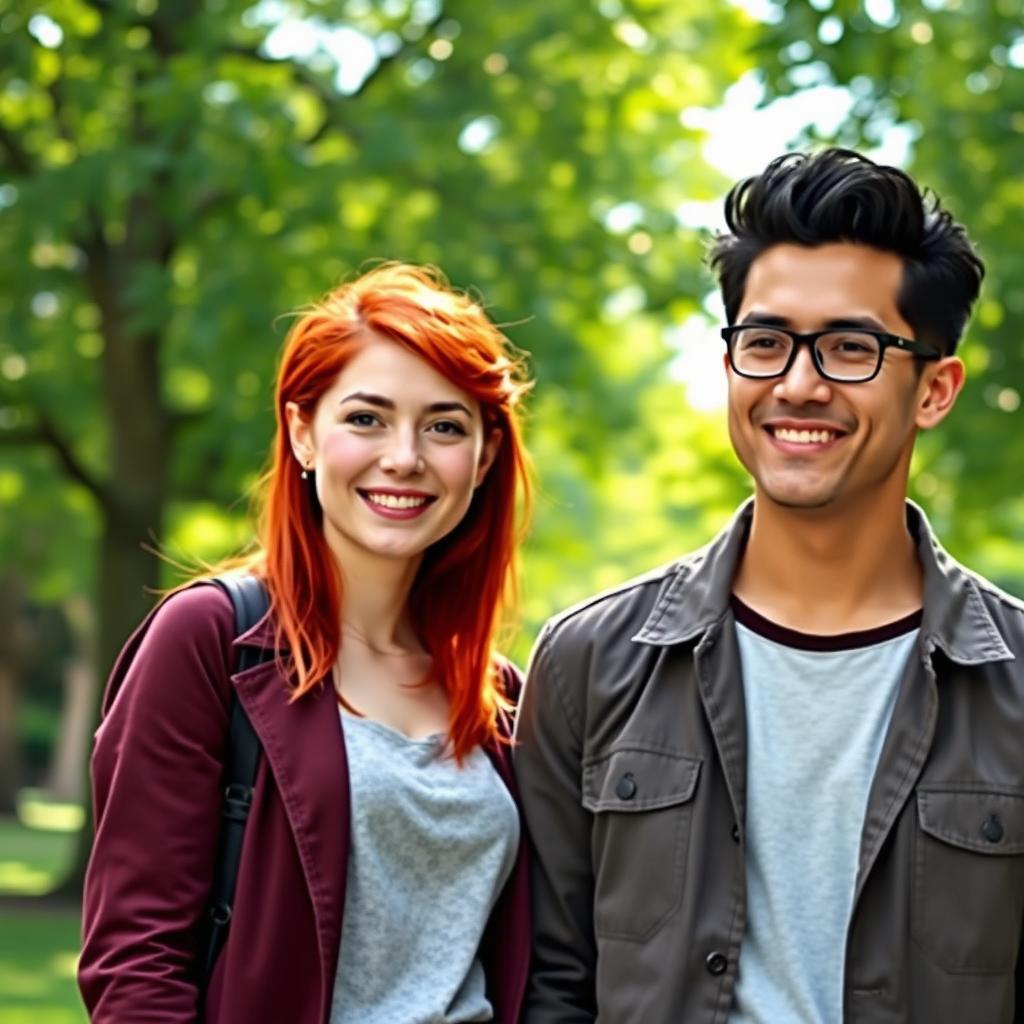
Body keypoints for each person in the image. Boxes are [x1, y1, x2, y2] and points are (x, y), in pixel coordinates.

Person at [514, 148, 1024, 1023]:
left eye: (851, 349)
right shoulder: (590, 663)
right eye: (765, 343)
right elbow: (549, 981)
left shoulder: (1015, 682)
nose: (798, 384)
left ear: (935, 390)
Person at [78, 262, 534, 1023]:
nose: (405, 457)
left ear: (484, 458)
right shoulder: (211, 639)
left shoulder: (500, 696)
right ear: (302, 433)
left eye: (445, 426)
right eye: (366, 418)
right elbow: (137, 960)